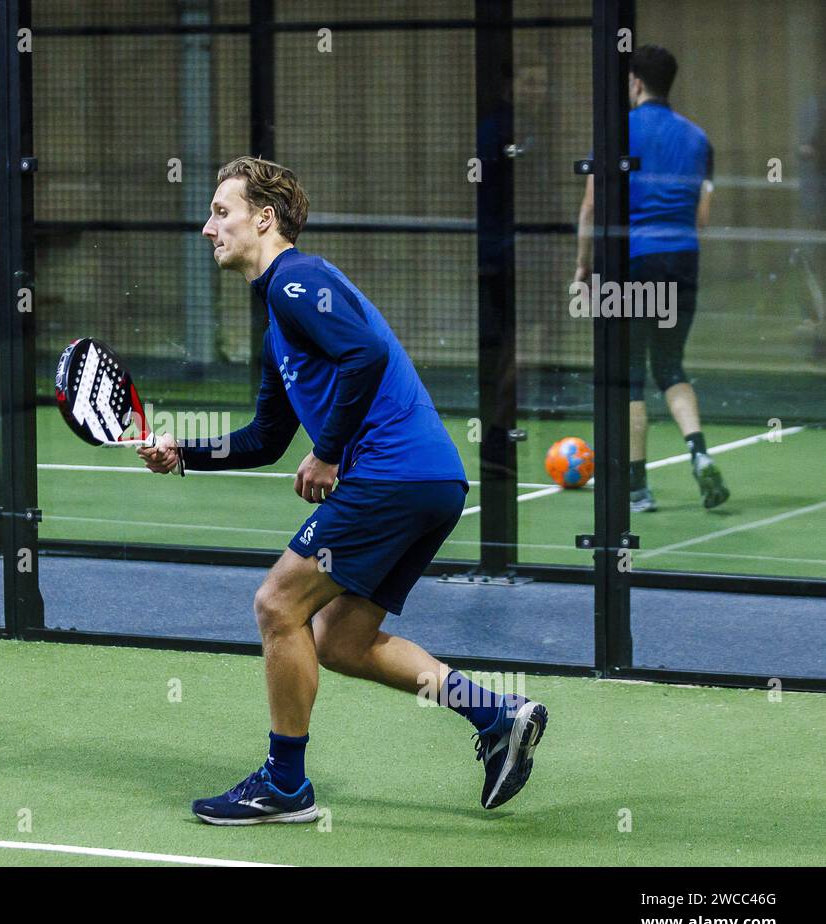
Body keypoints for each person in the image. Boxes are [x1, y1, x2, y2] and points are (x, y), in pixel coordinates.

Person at [138, 156, 549, 823]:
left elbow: (367, 354)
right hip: (429, 481)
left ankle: (284, 785)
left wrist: (328, 453)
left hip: (390, 472)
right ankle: (498, 714)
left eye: (221, 212)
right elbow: (268, 437)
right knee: (339, 639)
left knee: (277, 604)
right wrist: (182, 453)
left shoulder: (294, 280)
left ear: (264, 218)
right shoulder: (281, 317)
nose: (208, 228)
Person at [575, 44, 729, 511]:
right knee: (670, 366)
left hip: (632, 265)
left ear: (636, 82)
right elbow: (702, 216)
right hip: (683, 260)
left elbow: (590, 207)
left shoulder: (615, 132)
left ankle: (638, 488)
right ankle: (699, 453)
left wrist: (583, 267)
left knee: (628, 378)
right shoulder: (699, 139)